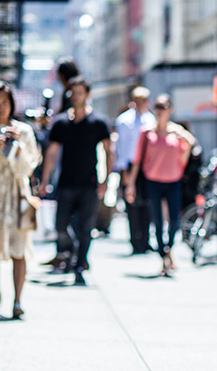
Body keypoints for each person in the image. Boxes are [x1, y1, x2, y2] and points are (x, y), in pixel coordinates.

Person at [39, 77, 113, 286]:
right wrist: (45, 179)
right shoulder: (61, 122)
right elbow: (52, 152)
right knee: (60, 226)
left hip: (89, 183)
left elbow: (109, 152)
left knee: (85, 227)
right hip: (65, 183)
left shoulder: (98, 122)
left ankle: (80, 266)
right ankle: (72, 250)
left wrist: (105, 179)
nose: (76, 97)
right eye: (73, 93)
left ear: (87, 95)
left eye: (80, 93)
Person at [0, 81, 41, 318]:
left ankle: (17, 300)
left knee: (20, 248)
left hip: (18, 196)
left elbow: (29, 167)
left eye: (4, 103)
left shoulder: (24, 131)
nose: (0, 108)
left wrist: (16, 145)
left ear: (12, 104)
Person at [125, 94, 195, 276]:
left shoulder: (176, 131)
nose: (160, 110)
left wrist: (181, 138)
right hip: (153, 181)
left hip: (173, 180)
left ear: (170, 110)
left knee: (174, 222)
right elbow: (137, 160)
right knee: (156, 221)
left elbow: (191, 144)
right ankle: (164, 255)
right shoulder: (147, 132)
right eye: (157, 107)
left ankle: (167, 249)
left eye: (163, 107)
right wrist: (130, 185)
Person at [114, 86, 155, 254]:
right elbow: (121, 148)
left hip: (147, 166)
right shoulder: (124, 121)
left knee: (147, 203)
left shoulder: (151, 119)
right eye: (137, 100)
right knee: (131, 203)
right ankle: (135, 240)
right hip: (130, 165)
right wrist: (124, 172)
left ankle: (145, 239)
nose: (140, 104)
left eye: (143, 100)